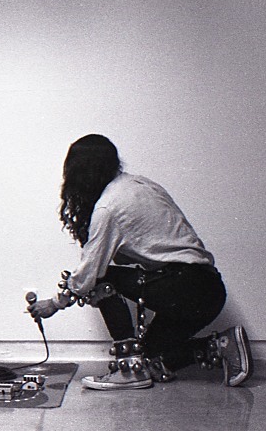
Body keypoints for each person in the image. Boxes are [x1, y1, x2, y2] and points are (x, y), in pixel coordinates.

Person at [27, 134, 252, 390]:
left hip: (185, 287)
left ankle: (127, 371)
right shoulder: (141, 185)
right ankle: (221, 345)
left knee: (101, 278)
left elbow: (88, 275)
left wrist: (55, 304)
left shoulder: (108, 207)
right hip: (207, 289)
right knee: (147, 360)